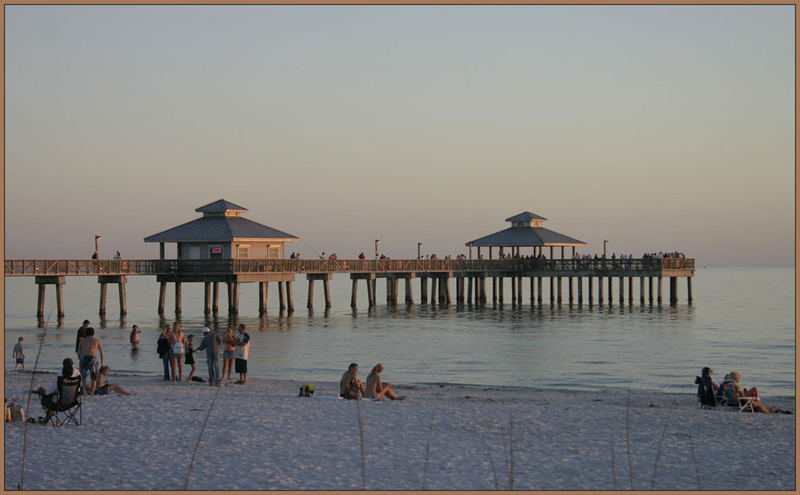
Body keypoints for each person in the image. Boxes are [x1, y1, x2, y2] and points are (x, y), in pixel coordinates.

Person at [719, 371, 786, 414]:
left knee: (754, 403)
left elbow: (721, 395)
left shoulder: (724, 384)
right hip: (737, 403)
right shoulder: (736, 385)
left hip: (728, 402)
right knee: (757, 405)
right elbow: (743, 397)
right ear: (736, 378)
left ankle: (768, 409)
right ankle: (768, 412)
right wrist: (751, 399)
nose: (739, 380)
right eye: (738, 378)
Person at [77, 327, 104, 395]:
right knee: (93, 376)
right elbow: (101, 352)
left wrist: (80, 360)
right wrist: (102, 361)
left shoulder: (82, 341)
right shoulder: (97, 340)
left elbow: (79, 352)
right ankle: (92, 392)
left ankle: (84, 390)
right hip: (93, 358)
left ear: (86, 333)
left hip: (84, 357)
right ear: (93, 333)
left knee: (83, 375)